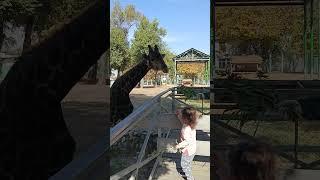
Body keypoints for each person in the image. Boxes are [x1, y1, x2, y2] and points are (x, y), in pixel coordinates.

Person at [175, 107, 199, 180]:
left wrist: (178, 146)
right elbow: (182, 121)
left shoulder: (186, 129)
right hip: (192, 149)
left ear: (185, 118)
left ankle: (190, 178)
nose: (181, 117)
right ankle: (187, 172)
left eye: (182, 116)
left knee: (184, 164)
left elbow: (187, 141)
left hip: (187, 150)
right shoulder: (191, 124)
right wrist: (178, 115)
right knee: (188, 163)